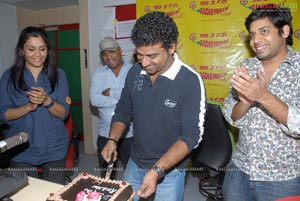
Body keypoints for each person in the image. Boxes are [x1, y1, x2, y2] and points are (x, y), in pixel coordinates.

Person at [101, 11, 206, 201]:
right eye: (139, 55)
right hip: (135, 162)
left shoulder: (189, 80)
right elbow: (123, 110)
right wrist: (112, 139)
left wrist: (157, 170)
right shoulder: (135, 72)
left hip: (170, 171)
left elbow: (191, 136)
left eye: (152, 56)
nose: (145, 62)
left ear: (171, 47)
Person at [222, 5, 300, 201]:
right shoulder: (246, 67)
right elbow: (231, 115)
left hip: (283, 178)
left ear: (284, 31)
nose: (256, 40)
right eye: (252, 34)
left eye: (264, 31)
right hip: (239, 170)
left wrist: (263, 96)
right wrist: (246, 101)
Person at [0, 26, 71, 184]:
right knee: (26, 194)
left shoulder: (58, 75)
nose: (38, 55)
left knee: (54, 192)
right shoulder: (8, 77)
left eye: (42, 49)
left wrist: (47, 101)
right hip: (20, 148)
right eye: (31, 49)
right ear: (22, 50)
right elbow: (4, 115)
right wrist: (28, 107)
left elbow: (63, 113)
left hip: (54, 147)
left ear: (48, 50)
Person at [90, 37, 133, 178]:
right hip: (106, 133)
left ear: (120, 51)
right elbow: (94, 99)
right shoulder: (98, 73)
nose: (108, 57)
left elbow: (135, 98)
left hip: (129, 134)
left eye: (112, 51)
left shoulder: (133, 72)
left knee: (133, 173)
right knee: (106, 175)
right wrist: (122, 97)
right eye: (104, 53)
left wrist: (110, 92)